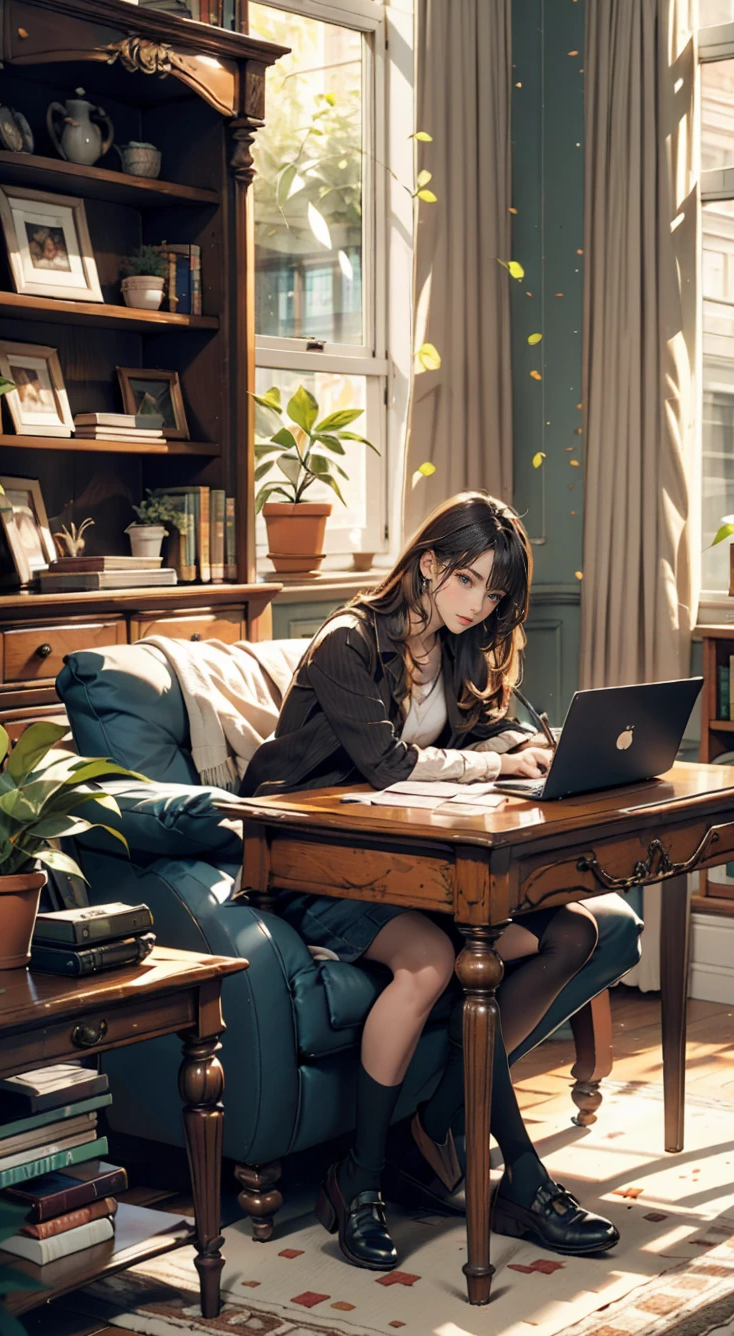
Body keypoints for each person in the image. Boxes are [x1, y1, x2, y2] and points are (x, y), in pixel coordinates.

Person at [242, 492, 619, 1271]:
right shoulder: (347, 643)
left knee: (567, 932)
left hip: (401, 863)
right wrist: (496, 763)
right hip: (314, 860)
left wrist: (523, 746)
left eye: (493, 593)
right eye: (468, 582)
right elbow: (386, 765)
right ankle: (368, 1181)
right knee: (437, 963)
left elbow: (473, 731)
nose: (479, 605)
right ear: (426, 564)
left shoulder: (451, 644)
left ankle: (443, 1127)